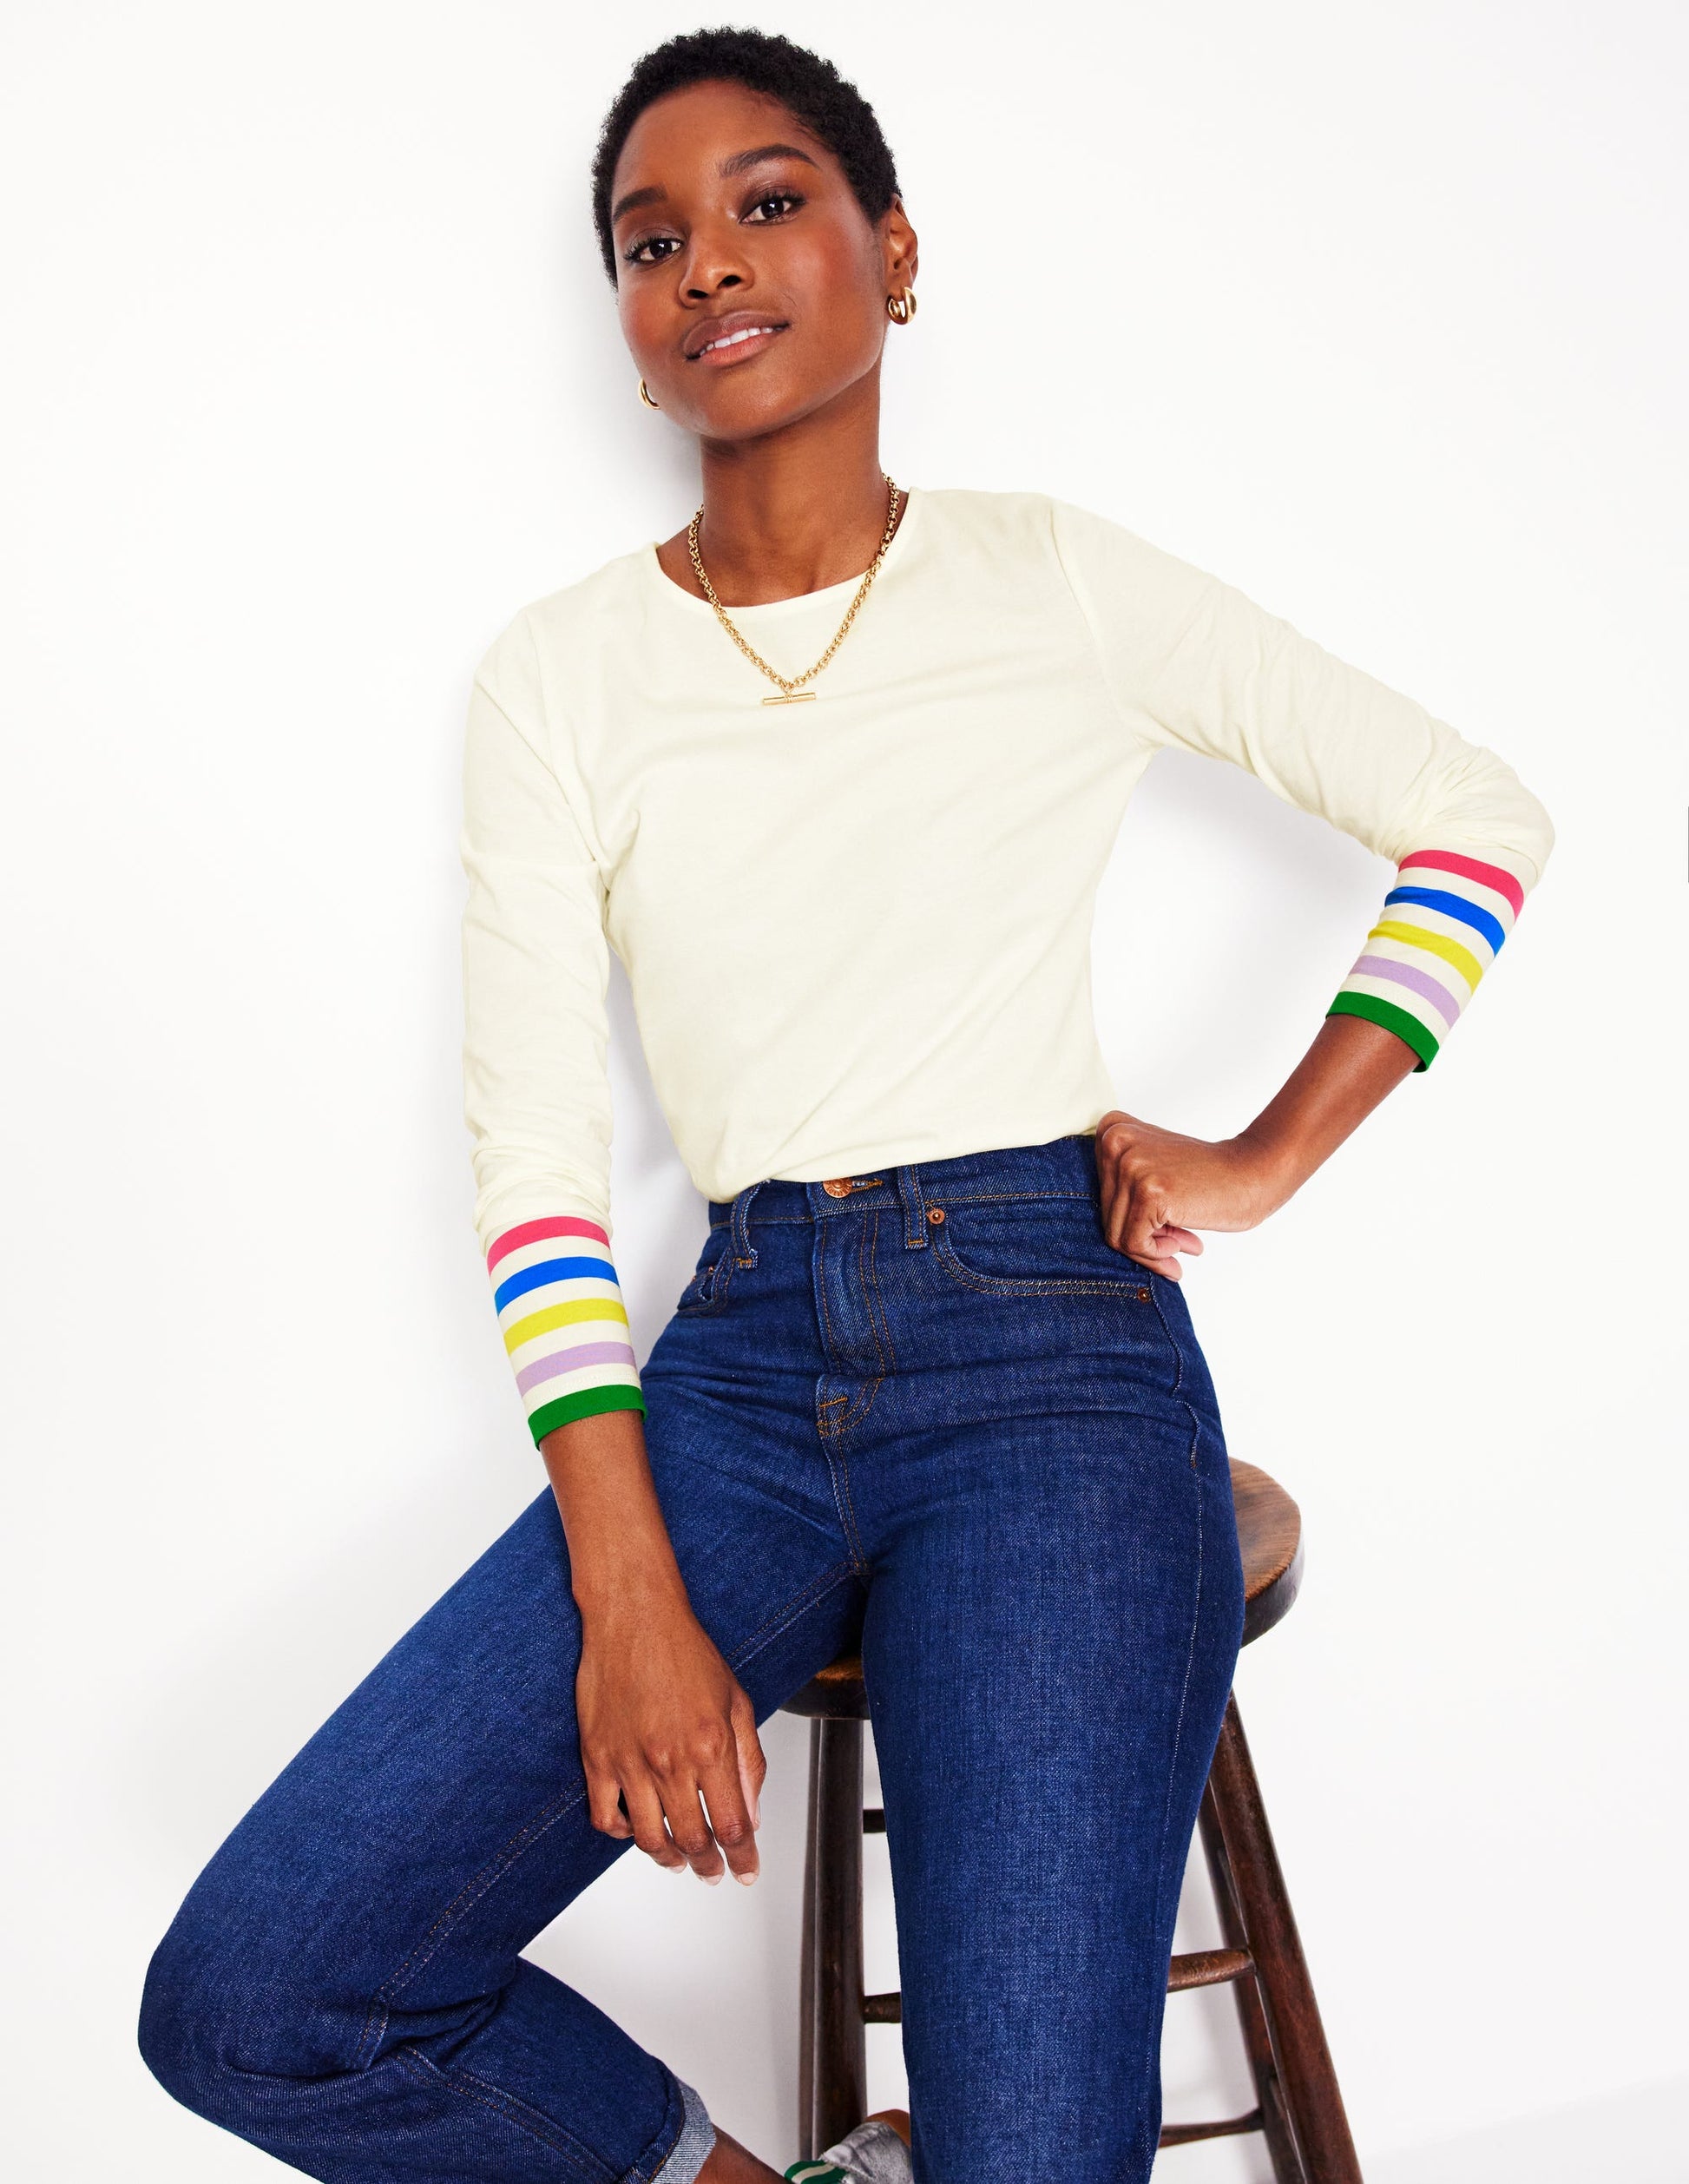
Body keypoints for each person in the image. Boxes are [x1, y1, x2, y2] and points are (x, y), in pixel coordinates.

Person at [136, 27, 1554, 2184]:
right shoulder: (559, 676)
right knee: (264, 1997)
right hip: (729, 1378)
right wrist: (630, 1592)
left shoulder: (1049, 575)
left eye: (769, 203)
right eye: (651, 241)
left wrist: (1265, 1154)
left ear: (893, 254)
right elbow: (533, 1157)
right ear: (629, 331)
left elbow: (1473, 817)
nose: (706, 262)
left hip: (1052, 1361)